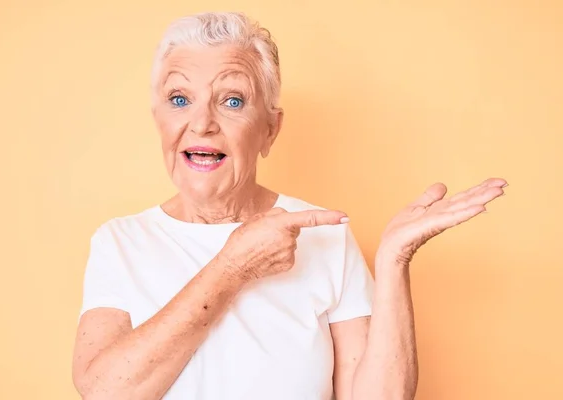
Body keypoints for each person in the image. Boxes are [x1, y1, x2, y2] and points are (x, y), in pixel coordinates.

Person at [71, 11, 507, 400]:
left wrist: (394, 259)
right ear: (159, 121)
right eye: (179, 100)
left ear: (269, 130)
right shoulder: (120, 242)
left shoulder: (326, 238)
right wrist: (232, 268)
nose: (201, 123)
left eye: (232, 101)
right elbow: (106, 392)